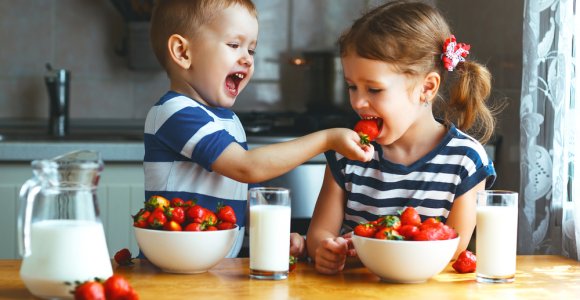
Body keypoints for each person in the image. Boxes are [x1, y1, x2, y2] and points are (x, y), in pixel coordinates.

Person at [144, 0, 373, 258]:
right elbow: (246, 167)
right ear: (183, 52)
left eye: (251, 50)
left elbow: (239, 198)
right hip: (173, 267)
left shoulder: (228, 121)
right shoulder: (174, 111)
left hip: (213, 269)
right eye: (234, 45)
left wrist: (274, 235)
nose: (247, 59)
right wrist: (327, 139)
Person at [303, 0, 498, 274]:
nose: (358, 102)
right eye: (352, 86)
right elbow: (319, 234)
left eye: (373, 89)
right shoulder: (346, 154)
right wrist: (326, 249)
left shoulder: (466, 160)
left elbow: (451, 249)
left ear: (426, 88)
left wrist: (374, 252)